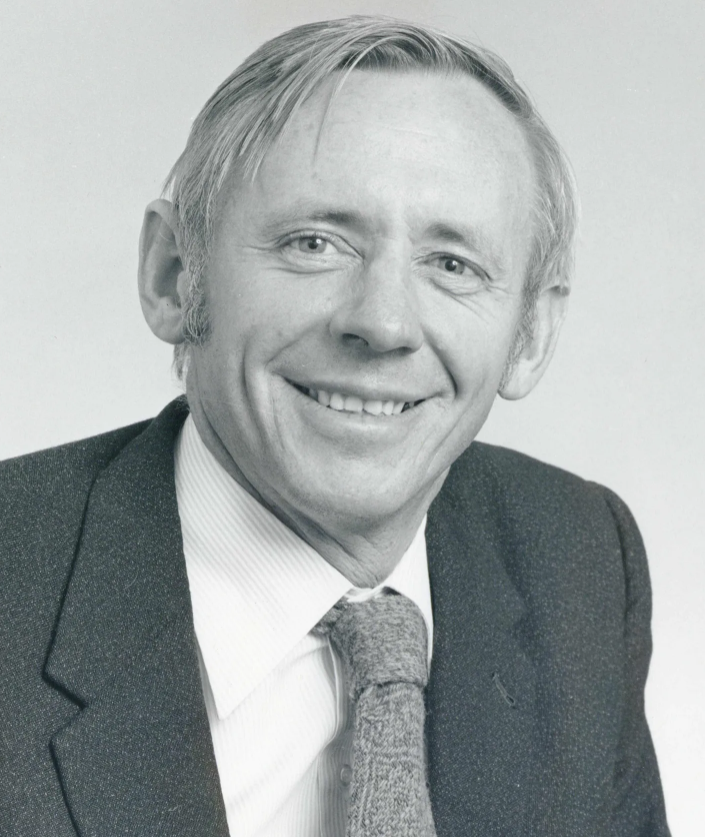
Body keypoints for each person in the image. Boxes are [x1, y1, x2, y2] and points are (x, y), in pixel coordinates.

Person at [0, 15, 670, 837]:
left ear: (529, 334)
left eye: (451, 264)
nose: (382, 323)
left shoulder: (575, 560)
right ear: (175, 275)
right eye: (314, 242)